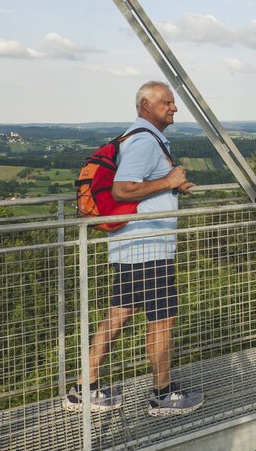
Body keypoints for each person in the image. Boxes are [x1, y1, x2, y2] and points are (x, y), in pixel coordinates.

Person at [63, 81, 204, 416]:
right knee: (162, 319)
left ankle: (84, 388)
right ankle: (162, 395)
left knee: (120, 314)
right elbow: (123, 189)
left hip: (135, 247)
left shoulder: (140, 138)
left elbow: (140, 186)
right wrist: (168, 182)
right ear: (146, 105)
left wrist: (171, 189)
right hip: (148, 248)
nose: (174, 107)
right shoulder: (143, 141)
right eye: (166, 102)